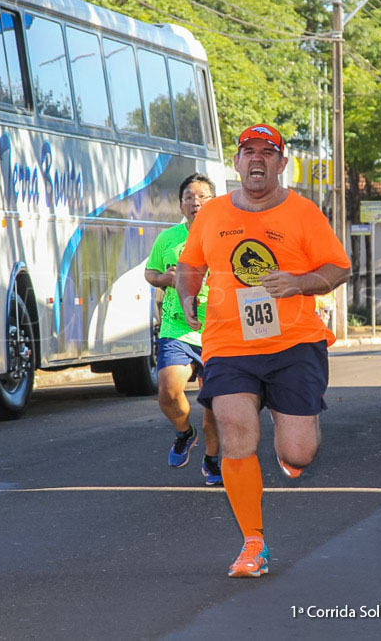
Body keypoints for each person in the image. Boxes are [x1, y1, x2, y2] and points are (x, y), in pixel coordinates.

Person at [175, 123, 351, 578]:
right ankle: (253, 543)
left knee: (299, 454)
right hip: (229, 343)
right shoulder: (211, 214)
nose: (257, 159)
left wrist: (297, 282)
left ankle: (290, 435)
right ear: (236, 162)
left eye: (267, 153)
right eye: (248, 152)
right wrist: (187, 294)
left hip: (294, 343)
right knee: (235, 430)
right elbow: (191, 263)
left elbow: (338, 267)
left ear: (280, 162)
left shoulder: (303, 213)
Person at [144, 173, 221, 485]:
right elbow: (151, 273)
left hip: (217, 330)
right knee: (168, 392)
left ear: (214, 203)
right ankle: (183, 432)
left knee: (214, 403)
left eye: (202, 196)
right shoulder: (168, 239)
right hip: (177, 327)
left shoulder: (225, 236)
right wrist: (169, 279)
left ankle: (213, 460)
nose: (196, 202)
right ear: (180, 205)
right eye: (189, 197)